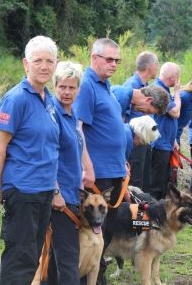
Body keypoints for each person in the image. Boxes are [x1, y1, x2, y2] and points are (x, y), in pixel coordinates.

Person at [0, 35, 60, 285]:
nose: (43, 66)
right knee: (20, 258)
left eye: (49, 61)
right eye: (37, 60)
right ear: (25, 64)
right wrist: (1, 189)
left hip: (43, 191)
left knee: (31, 259)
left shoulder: (49, 99)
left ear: (56, 64)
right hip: (22, 189)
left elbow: (50, 147)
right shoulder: (16, 98)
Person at [73, 37, 126, 285]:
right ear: (94, 58)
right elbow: (78, 128)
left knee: (107, 233)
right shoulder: (87, 85)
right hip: (97, 175)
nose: (114, 64)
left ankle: (98, 277)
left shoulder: (106, 86)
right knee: (95, 231)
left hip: (114, 172)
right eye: (109, 59)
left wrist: (123, 162)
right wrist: (87, 165)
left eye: (117, 60)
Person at [43, 61, 84, 284]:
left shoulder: (72, 112)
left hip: (73, 192)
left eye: (72, 87)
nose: (67, 92)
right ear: (55, 86)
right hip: (60, 197)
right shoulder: (53, 114)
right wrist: (55, 190)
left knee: (57, 258)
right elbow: (48, 155)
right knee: (69, 259)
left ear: (78, 89)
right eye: (62, 87)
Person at [122, 51, 160, 191]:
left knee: (143, 181)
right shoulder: (131, 86)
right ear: (150, 66)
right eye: (157, 64)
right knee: (134, 182)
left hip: (144, 141)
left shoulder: (147, 86)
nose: (158, 68)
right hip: (134, 142)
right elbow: (121, 117)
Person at [148, 62, 182, 200]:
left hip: (167, 143)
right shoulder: (160, 90)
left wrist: (173, 139)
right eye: (178, 77)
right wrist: (177, 92)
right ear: (173, 78)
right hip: (159, 145)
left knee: (165, 183)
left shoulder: (164, 90)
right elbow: (175, 112)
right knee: (157, 184)